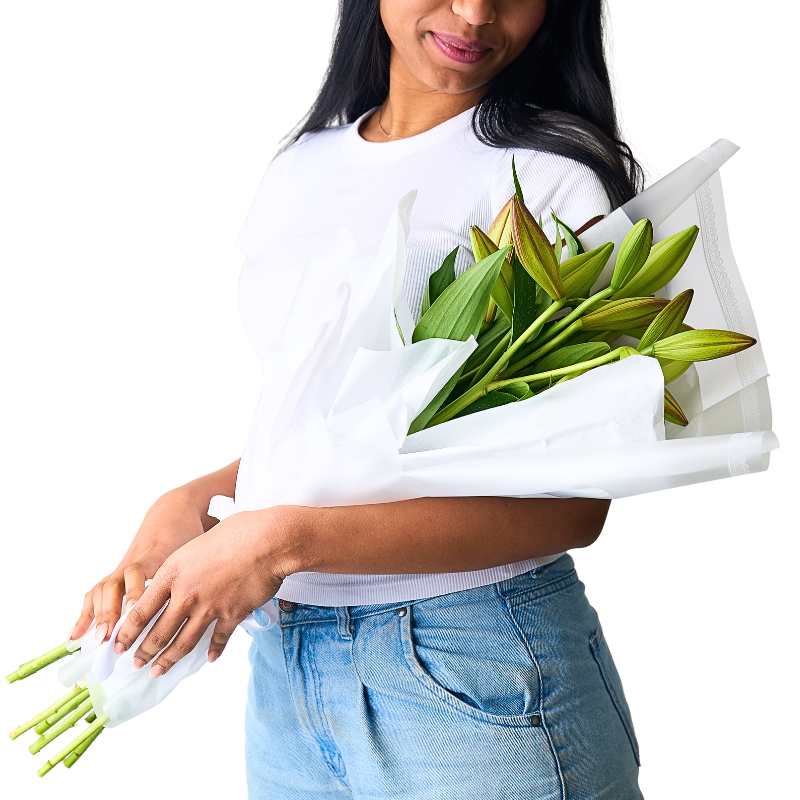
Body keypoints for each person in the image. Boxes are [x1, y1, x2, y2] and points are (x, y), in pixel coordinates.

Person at [69, 2, 645, 797]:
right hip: (288, 675)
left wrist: (275, 544)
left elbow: (573, 505)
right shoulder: (303, 165)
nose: (476, 13)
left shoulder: (553, 179)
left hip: (473, 667)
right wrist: (197, 501)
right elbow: (358, 432)